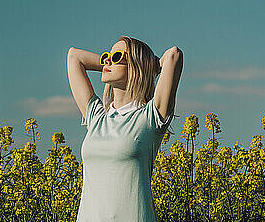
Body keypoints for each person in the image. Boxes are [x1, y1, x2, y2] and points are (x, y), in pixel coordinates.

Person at [67, 35, 183, 222]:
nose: (107, 60)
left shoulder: (150, 117)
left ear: (137, 66)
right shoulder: (96, 117)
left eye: (116, 56)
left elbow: (173, 55)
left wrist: (148, 66)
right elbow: (74, 57)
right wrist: (109, 62)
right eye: (107, 55)